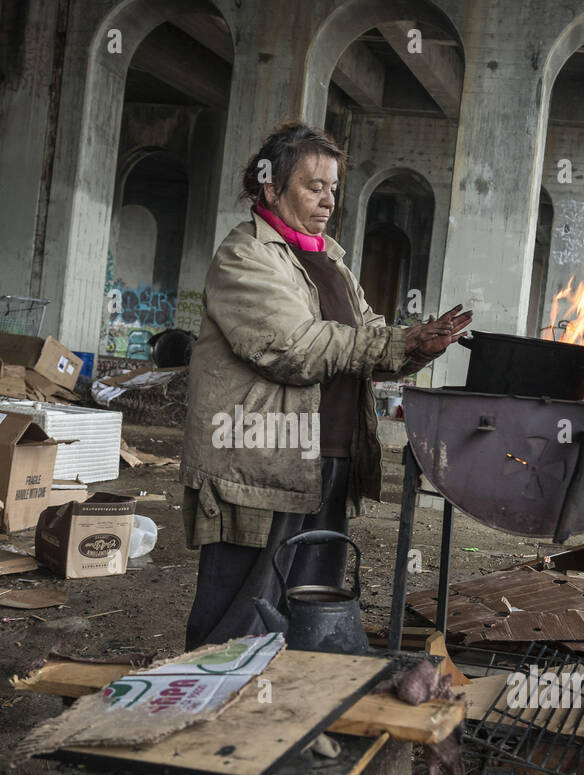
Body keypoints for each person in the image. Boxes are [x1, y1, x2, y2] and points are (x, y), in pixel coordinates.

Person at [181, 121, 473, 651]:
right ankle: (210, 713)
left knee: (309, 603)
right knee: (242, 611)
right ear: (270, 187)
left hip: (327, 458)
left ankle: (286, 720)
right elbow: (295, 348)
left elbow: (368, 340)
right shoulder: (246, 256)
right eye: (314, 187)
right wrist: (398, 342)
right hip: (261, 457)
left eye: (333, 187)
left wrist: (415, 346)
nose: (328, 200)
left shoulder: (328, 258)